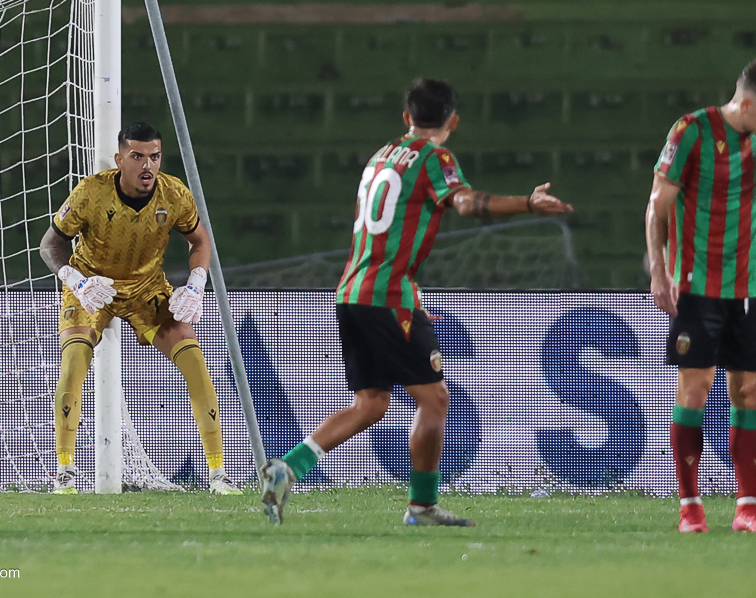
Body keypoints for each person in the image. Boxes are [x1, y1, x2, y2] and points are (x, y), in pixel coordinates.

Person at [258, 78, 572, 526]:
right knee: (435, 399)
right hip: (387, 297)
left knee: (372, 402)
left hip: (351, 291)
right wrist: (527, 202)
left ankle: (288, 468)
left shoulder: (380, 158)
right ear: (453, 121)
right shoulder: (434, 157)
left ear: (407, 117)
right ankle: (422, 505)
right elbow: (464, 203)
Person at [39, 122, 242, 495]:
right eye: (137, 157)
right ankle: (65, 472)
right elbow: (50, 245)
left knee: (195, 363)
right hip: (93, 286)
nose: (147, 166)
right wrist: (76, 282)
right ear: (120, 160)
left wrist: (196, 285)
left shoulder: (174, 194)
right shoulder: (91, 192)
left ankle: (218, 474)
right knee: (73, 365)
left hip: (147, 288)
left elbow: (200, 241)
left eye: (154, 156)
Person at [645, 59, 756, 533]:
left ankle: (747, 507)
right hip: (697, 286)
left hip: (750, 289)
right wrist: (659, 269)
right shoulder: (691, 130)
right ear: (747, 102)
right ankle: (691, 506)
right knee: (697, 388)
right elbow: (657, 204)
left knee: (751, 392)